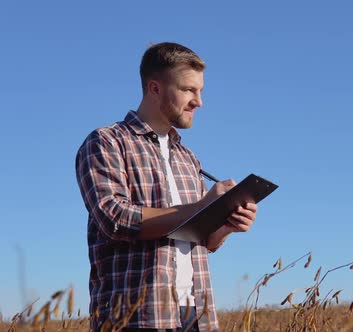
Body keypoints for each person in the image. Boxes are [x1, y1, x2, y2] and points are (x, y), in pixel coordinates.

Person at [75, 42, 257, 332]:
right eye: (188, 90)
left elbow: (201, 239)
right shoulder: (106, 142)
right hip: (136, 316)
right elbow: (115, 219)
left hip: (197, 314)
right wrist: (201, 207)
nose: (199, 102)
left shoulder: (188, 158)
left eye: (200, 91)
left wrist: (225, 225)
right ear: (155, 88)